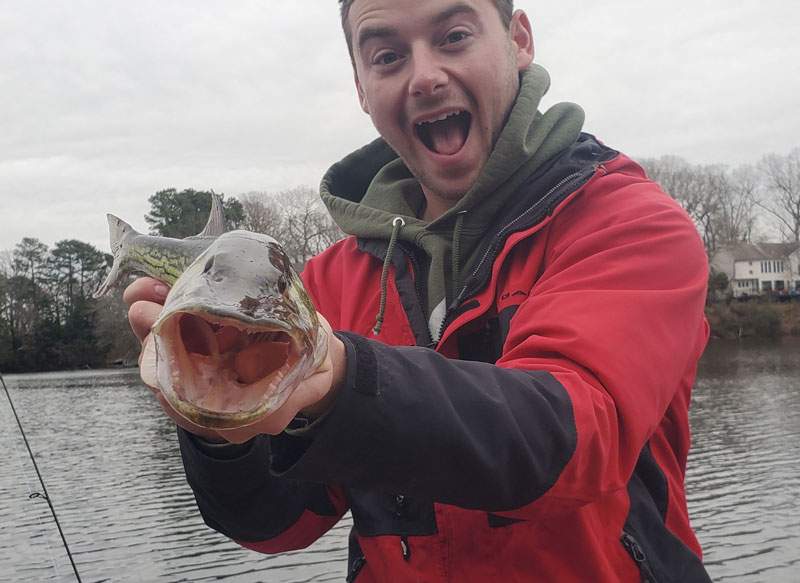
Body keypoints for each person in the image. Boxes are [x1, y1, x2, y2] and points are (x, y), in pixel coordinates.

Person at [125, 0, 713, 581]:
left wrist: (346, 380)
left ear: (519, 40)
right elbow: (275, 523)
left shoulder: (632, 224)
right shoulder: (329, 282)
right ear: (362, 89)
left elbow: (571, 442)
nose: (425, 77)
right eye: (387, 56)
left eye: (454, 35)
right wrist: (217, 417)